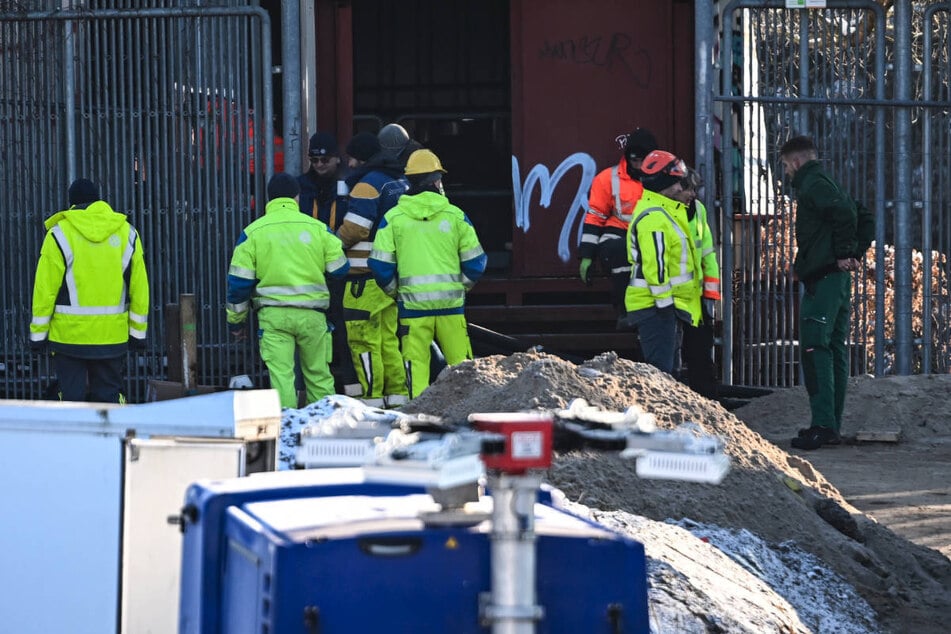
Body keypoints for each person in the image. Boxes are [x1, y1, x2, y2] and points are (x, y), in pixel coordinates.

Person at [369, 149, 487, 399]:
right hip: (450, 308)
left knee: (416, 366)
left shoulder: (393, 219)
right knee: (462, 368)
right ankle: (464, 411)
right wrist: (461, 287)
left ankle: (418, 417)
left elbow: (379, 265)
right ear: (436, 181)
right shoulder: (456, 216)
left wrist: (395, 291)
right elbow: (476, 262)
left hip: (413, 310)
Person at [780, 135, 874, 450]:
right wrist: (851, 254)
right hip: (831, 278)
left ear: (795, 162)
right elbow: (860, 214)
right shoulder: (825, 183)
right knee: (833, 348)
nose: (787, 173)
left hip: (825, 281)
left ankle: (823, 424)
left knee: (815, 348)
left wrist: (848, 252)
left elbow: (850, 215)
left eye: (786, 166)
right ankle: (829, 425)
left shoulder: (815, 185)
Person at [226, 173, 350, 408]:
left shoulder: (252, 233)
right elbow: (340, 269)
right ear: (296, 197)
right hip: (313, 315)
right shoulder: (319, 229)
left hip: (274, 317)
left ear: (268, 199)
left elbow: (238, 284)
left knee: (282, 378)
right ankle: (323, 430)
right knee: (319, 376)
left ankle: (284, 433)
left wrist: (236, 323)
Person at [29, 178, 149, 403]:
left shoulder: (58, 234)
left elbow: (45, 290)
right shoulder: (127, 233)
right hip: (112, 338)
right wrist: (137, 334)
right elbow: (139, 288)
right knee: (109, 399)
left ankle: (73, 438)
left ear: (71, 205)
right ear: (99, 201)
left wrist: (38, 336)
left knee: (71, 401)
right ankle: (113, 437)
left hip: (69, 338)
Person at [338, 132, 411, 408]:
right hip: (389, 277)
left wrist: (332, 244)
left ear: (362, 158)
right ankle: (397, 399)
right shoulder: (400, 182)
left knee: (363, 342)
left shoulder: (367, 185)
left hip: (362, 280)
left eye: (352, 158)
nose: (350, 164)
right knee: (388, 341)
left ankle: (371, 401)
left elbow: (356, 228)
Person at [623, 150, 701, 374]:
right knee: (661, 374)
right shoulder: (655, 218)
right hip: (656, 308)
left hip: (662, 307)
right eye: (677, 183)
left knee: (666, 373)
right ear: (664, 184)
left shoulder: (662, 213)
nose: (681, 188)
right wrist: (666, 306)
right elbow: (655, 269)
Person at [297, 131, 360, 396]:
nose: (320, 165)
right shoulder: (301, 186)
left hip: (340, 269)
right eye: (315, 160)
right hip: (309, 270)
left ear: (337, 159)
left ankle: (351, 392)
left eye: (325, 160)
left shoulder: (349, 183)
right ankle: (312, 393)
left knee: (345, 333)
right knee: (313, 336)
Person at [580, 127, 659, 324]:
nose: (639, 165)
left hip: (652, 234)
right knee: (618, 251)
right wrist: (586, 256)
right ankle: (625, 310)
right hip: (619, 233)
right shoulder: (607, 179)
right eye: (635, 160)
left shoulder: (665, 179)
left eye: (643, 161)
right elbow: (595, 216)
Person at [672, 167, 721, 399]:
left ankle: (707, 399)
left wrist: (710, 293)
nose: (692, 193)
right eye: (687, 188)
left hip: (694, 296)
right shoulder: (666, 212)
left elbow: (708, 252)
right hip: (670, 295)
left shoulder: (698, 210)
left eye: (694, 188)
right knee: (673, 353)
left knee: (700, 350)